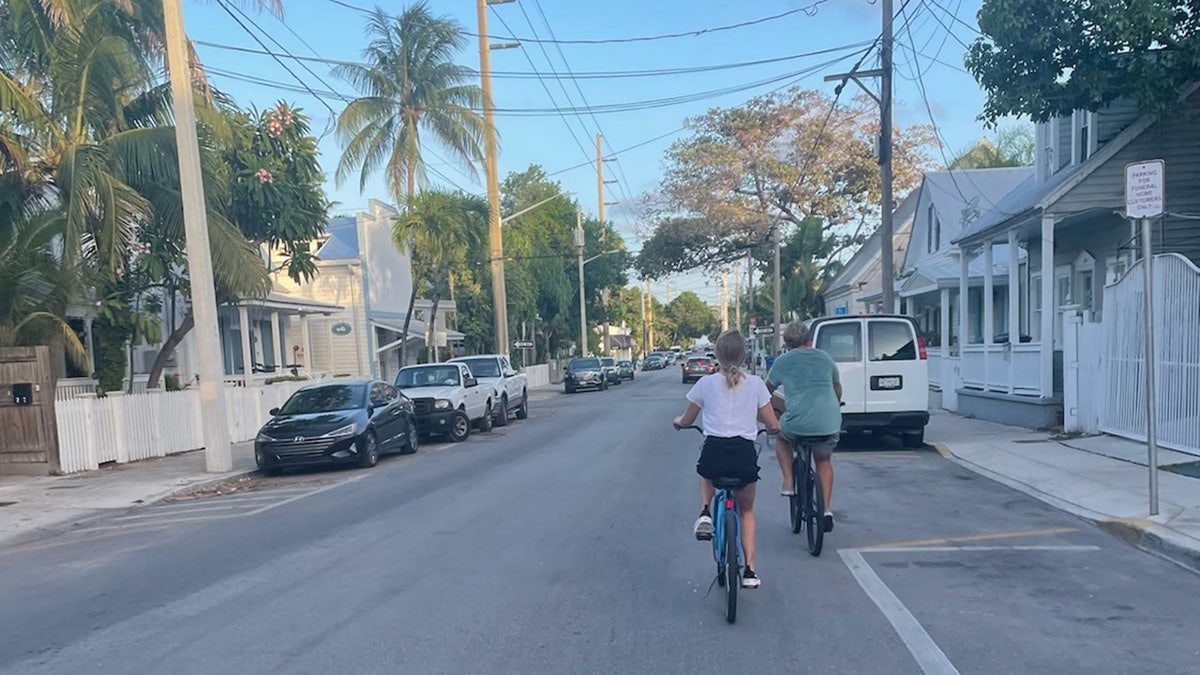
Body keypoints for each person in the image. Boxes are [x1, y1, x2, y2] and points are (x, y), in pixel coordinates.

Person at [673, 330, 779, 589]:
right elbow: (771, 422)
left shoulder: (705, 384)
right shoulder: (755, 384)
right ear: (745, 356)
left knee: (705, 469)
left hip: (715, 453)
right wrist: (774, 429)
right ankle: (750, 571)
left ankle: (706, 511)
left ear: (716, 355)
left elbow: (688, 419)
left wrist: (680, 423)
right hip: (743, 456)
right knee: (747, 511)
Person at [766, 321, 841, 533]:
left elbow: (765, 392)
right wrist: (836, 403)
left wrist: (772, 411)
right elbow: (836, 387)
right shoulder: (825, 358)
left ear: (787, 342)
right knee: (823, 459)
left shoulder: (783, 361)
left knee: (781, 437)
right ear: (809, 339)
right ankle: (826, 510)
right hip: (828, 420)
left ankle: (789, 482)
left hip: (797, 422)